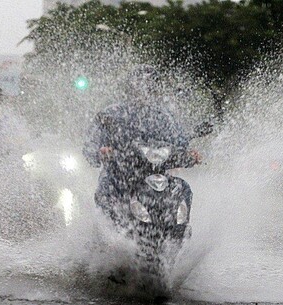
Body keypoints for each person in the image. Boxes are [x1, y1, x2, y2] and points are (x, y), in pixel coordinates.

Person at [83, 65, 202, 214]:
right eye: (140, 87)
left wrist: (190, 154)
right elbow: (91, 143)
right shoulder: (111, 113)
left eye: (151, 88)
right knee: (107, 188)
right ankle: (107, 229)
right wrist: (100, 151)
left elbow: (178, 141)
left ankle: (178, 228)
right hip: (119, 174)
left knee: (182, 188)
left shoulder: (164, 117)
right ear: (130, 89)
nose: (145, 92)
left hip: (156, 174)